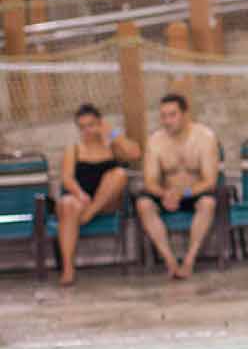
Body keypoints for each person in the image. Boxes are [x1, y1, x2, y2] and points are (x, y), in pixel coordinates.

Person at [135, 93, 220, 279]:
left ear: (185, 114)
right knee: (143, 205)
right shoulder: (155, 141)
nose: (167, 121)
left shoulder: (205, 137)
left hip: (193, 192)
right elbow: (150, 181)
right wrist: (165, 194)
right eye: (163, 116)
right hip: (167, 194)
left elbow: (210, 181)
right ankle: (170, 261)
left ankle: (189, 261)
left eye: (172, 115)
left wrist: (184, 193)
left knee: (208, 204)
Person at [56, 104, 141, 286]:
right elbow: (67, 179)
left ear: (100, 123)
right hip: (83, 200)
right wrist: (80, 194)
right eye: (83, 127)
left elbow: (135, 153)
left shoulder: (112, 146)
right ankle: (68, 268)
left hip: (107, 202)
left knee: (119, 174)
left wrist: (112, 134)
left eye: (91, 125)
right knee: (68, 203)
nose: (87, 130)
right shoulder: (74, 149)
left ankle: (89, 214)